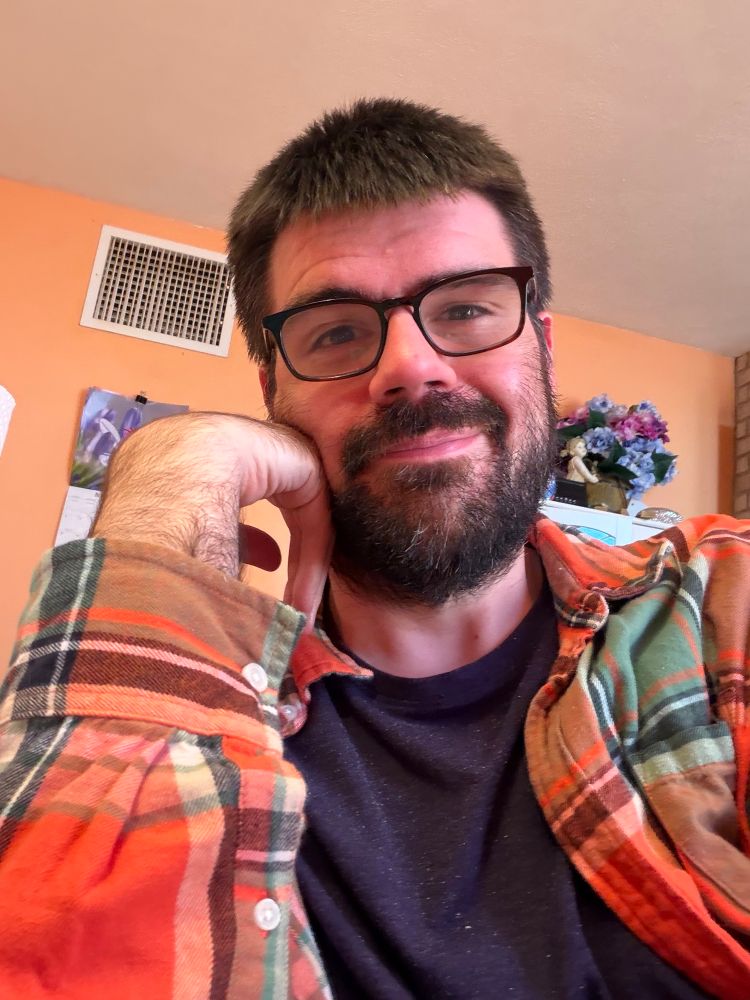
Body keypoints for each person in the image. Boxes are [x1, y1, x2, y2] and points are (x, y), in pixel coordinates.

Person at [1, 99, 748, 1000]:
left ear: (542, 347)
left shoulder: (715, 609)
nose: (408, 366)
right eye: (338, 332)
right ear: (272, 389)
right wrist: (173, 463)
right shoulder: (214, 725)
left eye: (466, 308)